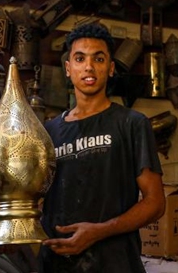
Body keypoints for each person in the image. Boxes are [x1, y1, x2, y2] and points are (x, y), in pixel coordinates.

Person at [39, 23, 165, 273]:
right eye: (79, 58)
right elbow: (36, 199)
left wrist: (99, 232)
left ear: (111, 68)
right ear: (68, 68)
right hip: (55, 265)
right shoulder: (48, 131)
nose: (88, 67)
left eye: (98, 58)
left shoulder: (132, 123)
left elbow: (155, 203)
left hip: (114, 263)